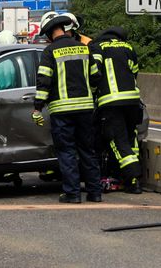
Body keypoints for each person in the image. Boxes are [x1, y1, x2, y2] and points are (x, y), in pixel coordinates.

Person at [33, 11, 102, 203]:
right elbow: (96, 77)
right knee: (88, 151)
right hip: (85, 109)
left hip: (62, 111)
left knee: (67, 152)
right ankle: (95, 193)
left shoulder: (50, 52)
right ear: (64, 28)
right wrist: (89, 95)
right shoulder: (83, 48)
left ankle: (73, 194)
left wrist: (38, 107)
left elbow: (44, 82)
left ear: (49, 34)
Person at [89, 27, 144, 194]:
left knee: (117, 140)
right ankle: (132, 175)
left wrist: (93, 93)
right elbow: (134, 71)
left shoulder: (97, 47)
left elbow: (94, 72)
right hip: (133, 101)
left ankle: (133, 178)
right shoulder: (128, 47)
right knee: (131, 137)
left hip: (111, 102)